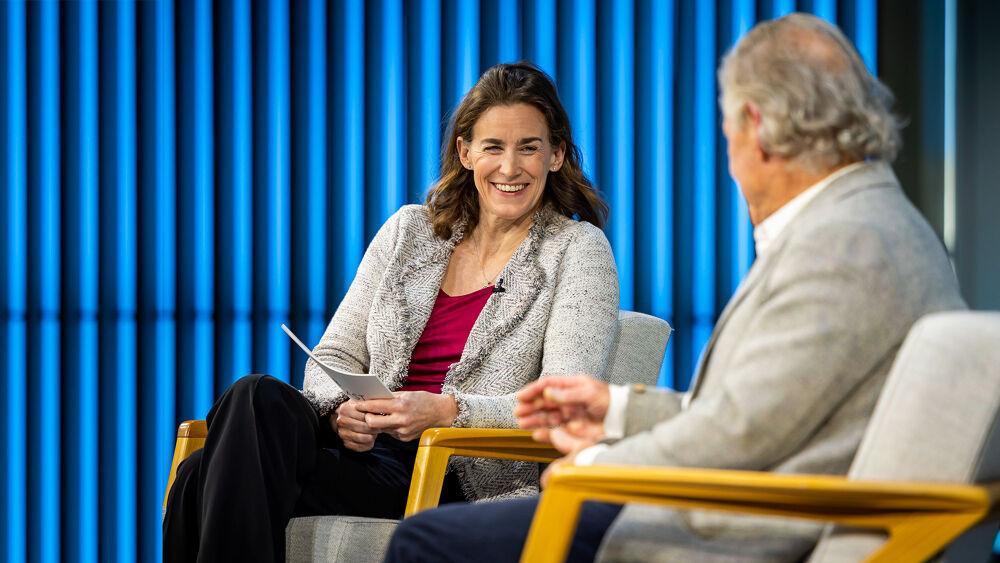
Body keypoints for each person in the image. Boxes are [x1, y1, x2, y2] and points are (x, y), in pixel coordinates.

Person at [385, 13, 966, 563]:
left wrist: (600, 470)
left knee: (424, 542)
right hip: (739, 497)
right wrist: (616, 410)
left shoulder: (847, 245)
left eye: (727, 129)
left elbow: (742, 435)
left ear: (757, 128)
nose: (731, 158)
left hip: (733, 526)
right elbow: (762, 408)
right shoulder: (874, 222)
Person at [162, 62, 621, 563]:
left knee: (199, 473)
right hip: (362, 449)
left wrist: (446, 410)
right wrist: (342, 411)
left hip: (449, 467)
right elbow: (335, 352)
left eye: (528, 147)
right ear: (466, 153)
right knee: (256, 396)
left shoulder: (578, 249)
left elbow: (562, 400)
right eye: (493, 147)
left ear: (556, 155)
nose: (509, 168)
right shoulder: (410, 230)